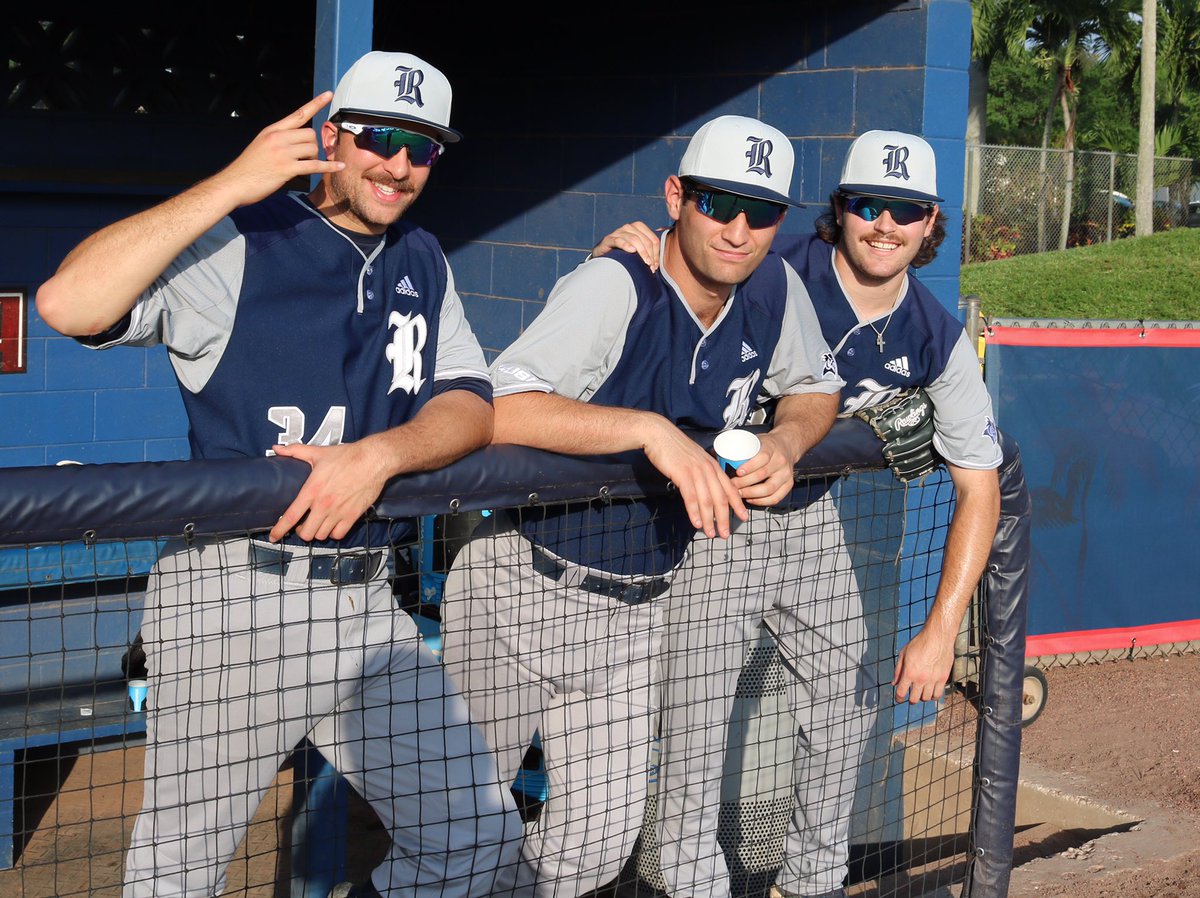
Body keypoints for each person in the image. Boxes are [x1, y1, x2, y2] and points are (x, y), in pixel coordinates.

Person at [36, 50, 521, 898]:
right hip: (237, 594)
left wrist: (381, 454)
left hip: (369, 600)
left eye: (423, 149)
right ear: (333, 137)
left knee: (478, 838)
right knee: (178, 876)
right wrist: (231, 183)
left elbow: (471, 404)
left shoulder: (423, 258)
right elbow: (67, 304)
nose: (399, 166)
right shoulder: (242, 240)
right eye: (380, 137)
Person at [439, 115, 844, 898]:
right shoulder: (614, 284)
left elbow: (817, 386)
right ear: (676, 197)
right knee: (459, 834)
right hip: (522, 582)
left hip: (637, 613)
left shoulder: (773, 287)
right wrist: (647, 430)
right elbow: (497, 406)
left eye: (760, 212)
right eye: (718, 202)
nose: (737, 228)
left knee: (591, 852)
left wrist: (789, 443)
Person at [594, 129, 1003, 898]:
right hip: (714, 518)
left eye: (906, 210)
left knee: (848, 702)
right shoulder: (772, 270)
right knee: (695, 731)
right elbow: (686, 262)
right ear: (841, 211)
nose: (886, 225)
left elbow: (981, 483)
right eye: (870, 206)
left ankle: (813, 880)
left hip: (813, 527)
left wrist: (943, 629)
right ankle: (692, 888)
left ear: (930, 221)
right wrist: (629, 249)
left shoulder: (935, 336)